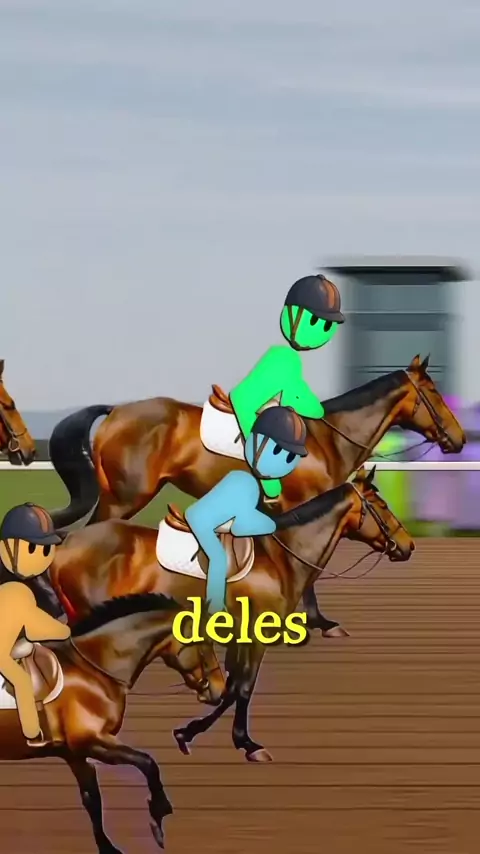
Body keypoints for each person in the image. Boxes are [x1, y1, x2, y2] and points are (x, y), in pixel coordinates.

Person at [229, 273, 344, 501]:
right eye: (315, 321)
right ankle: (267, 480)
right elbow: (297, 397)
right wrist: (319, 410)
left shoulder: (288, 358)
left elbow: (297, 393)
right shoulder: (284, 359)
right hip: (245, 403)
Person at [186, 406, 308, 613]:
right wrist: (273, 523)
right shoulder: (244, 482)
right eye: (277, 451)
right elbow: (240, 526)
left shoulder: (249, 481)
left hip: (213, 520)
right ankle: (214, 608)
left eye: (289, 458)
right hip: (201, 522)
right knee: (219, 559)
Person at [0, 503, 71, 746]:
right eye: (33, 548)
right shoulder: (17, 590)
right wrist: (63, 630)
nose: (40, 557)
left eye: (45, 550)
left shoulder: (30, 582)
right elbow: (34, 625)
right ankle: (32, 733)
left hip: (14, 641)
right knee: (21, 680)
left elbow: (35, 620)